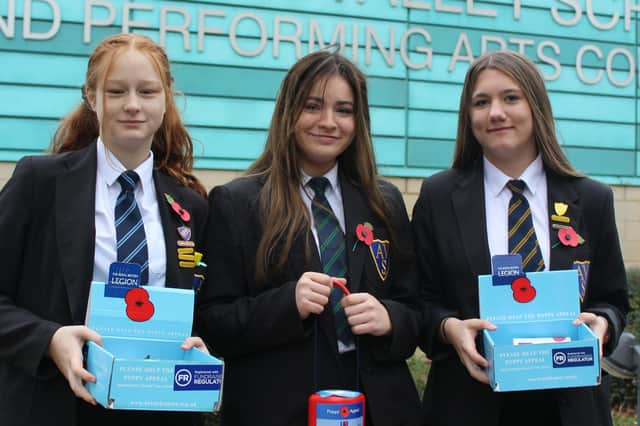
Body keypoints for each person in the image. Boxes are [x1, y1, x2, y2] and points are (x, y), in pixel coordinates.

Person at [195, 50, 421, 426]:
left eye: (344, 110)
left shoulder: (384, 202)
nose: (329, 122)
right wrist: (286, 304)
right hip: (277, 409)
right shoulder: (237, 203)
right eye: (313, 106)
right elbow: (212, 323)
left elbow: (416, 309)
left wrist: (391, 318)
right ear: (288, 112)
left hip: (377, 409)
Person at [0, 33, 209, 426]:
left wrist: (197, 345)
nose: (132, 105)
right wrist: (48, 339)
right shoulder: (39, 183)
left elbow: (205, 307)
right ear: (92, 98)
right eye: (116, 91)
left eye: (147, 91)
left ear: (166, 100)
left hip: (156, 406)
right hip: (57, 406)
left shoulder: (189, 206)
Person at [412, 50, 630, 426]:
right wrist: (450, 329)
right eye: (481, 102)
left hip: (570, 406)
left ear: (536, 106)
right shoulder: (437, 197)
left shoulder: (592, 199)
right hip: (467, 403)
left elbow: (612, 300)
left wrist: (603, 324)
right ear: (469, 116)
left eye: (510, 98)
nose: (495, 112)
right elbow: (418, 299)